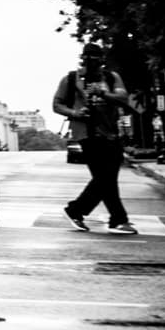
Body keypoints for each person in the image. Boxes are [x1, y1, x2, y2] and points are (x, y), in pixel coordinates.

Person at [54, 45, 134, 234]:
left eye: (96, 57)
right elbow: (56, 104)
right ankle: (118, 220)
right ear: (82, 58)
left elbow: (123, 97)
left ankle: (75, 210)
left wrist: (103, 93)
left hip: (111, 132)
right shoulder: (71, 79)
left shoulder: (111, 77)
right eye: (88, 57)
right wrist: (75, 112)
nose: (92, 61)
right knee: (105, 177)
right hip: (86, 134)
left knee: (106, 177)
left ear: (102, 59)